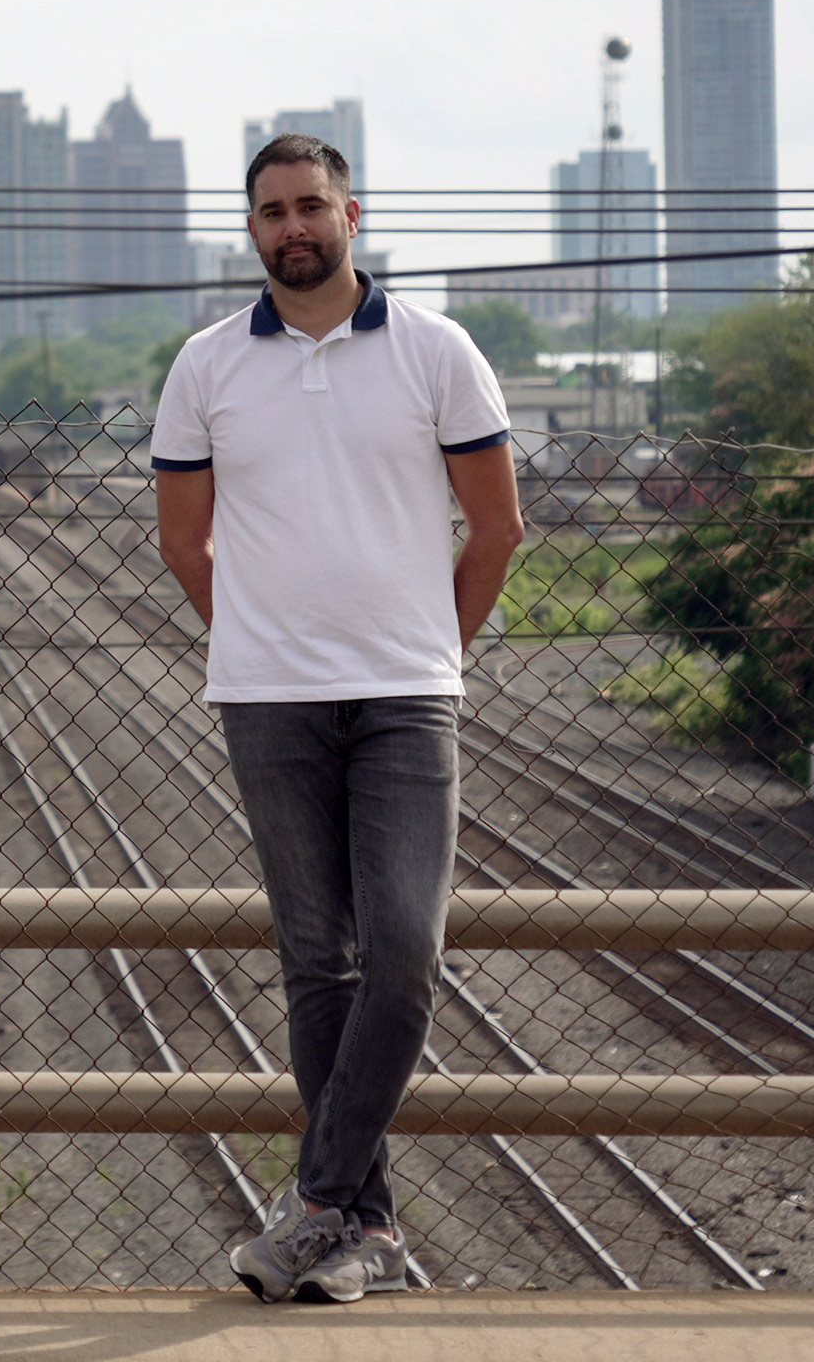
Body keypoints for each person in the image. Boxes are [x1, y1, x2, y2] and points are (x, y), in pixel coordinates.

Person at [149, 132, 525, 1304]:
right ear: (251, 229)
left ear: (352, 213)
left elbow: (498, 528)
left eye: (311, 204)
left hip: (408, 698)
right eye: (271, 211)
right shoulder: (207, 366)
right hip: (267, 701)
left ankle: (315, 1199)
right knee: (320, 962)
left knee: (404, 953)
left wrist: (429, 649)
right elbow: (181, 540)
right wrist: (259, 636)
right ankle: (366, 1236)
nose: (292, 225)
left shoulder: (435, 350)